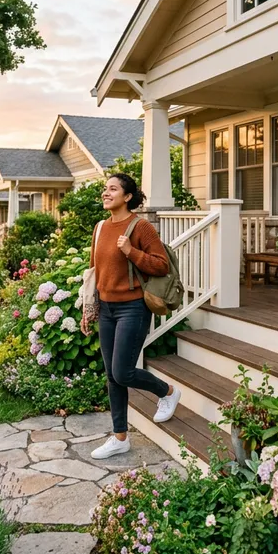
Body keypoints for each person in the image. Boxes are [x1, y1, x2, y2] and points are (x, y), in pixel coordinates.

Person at [81, 173, 181, 460]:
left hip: (133, 308)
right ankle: (120, 438)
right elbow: (94, 271)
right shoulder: (100, 228)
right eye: (105, 189)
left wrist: (131, 251)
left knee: (122, 372)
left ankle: (167, 392)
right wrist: (89, 308)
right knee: (112, 376)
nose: (106, 193)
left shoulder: (141, 227)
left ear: (127, 197)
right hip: (107, 309)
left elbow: (161, 266)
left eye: (113, 189)